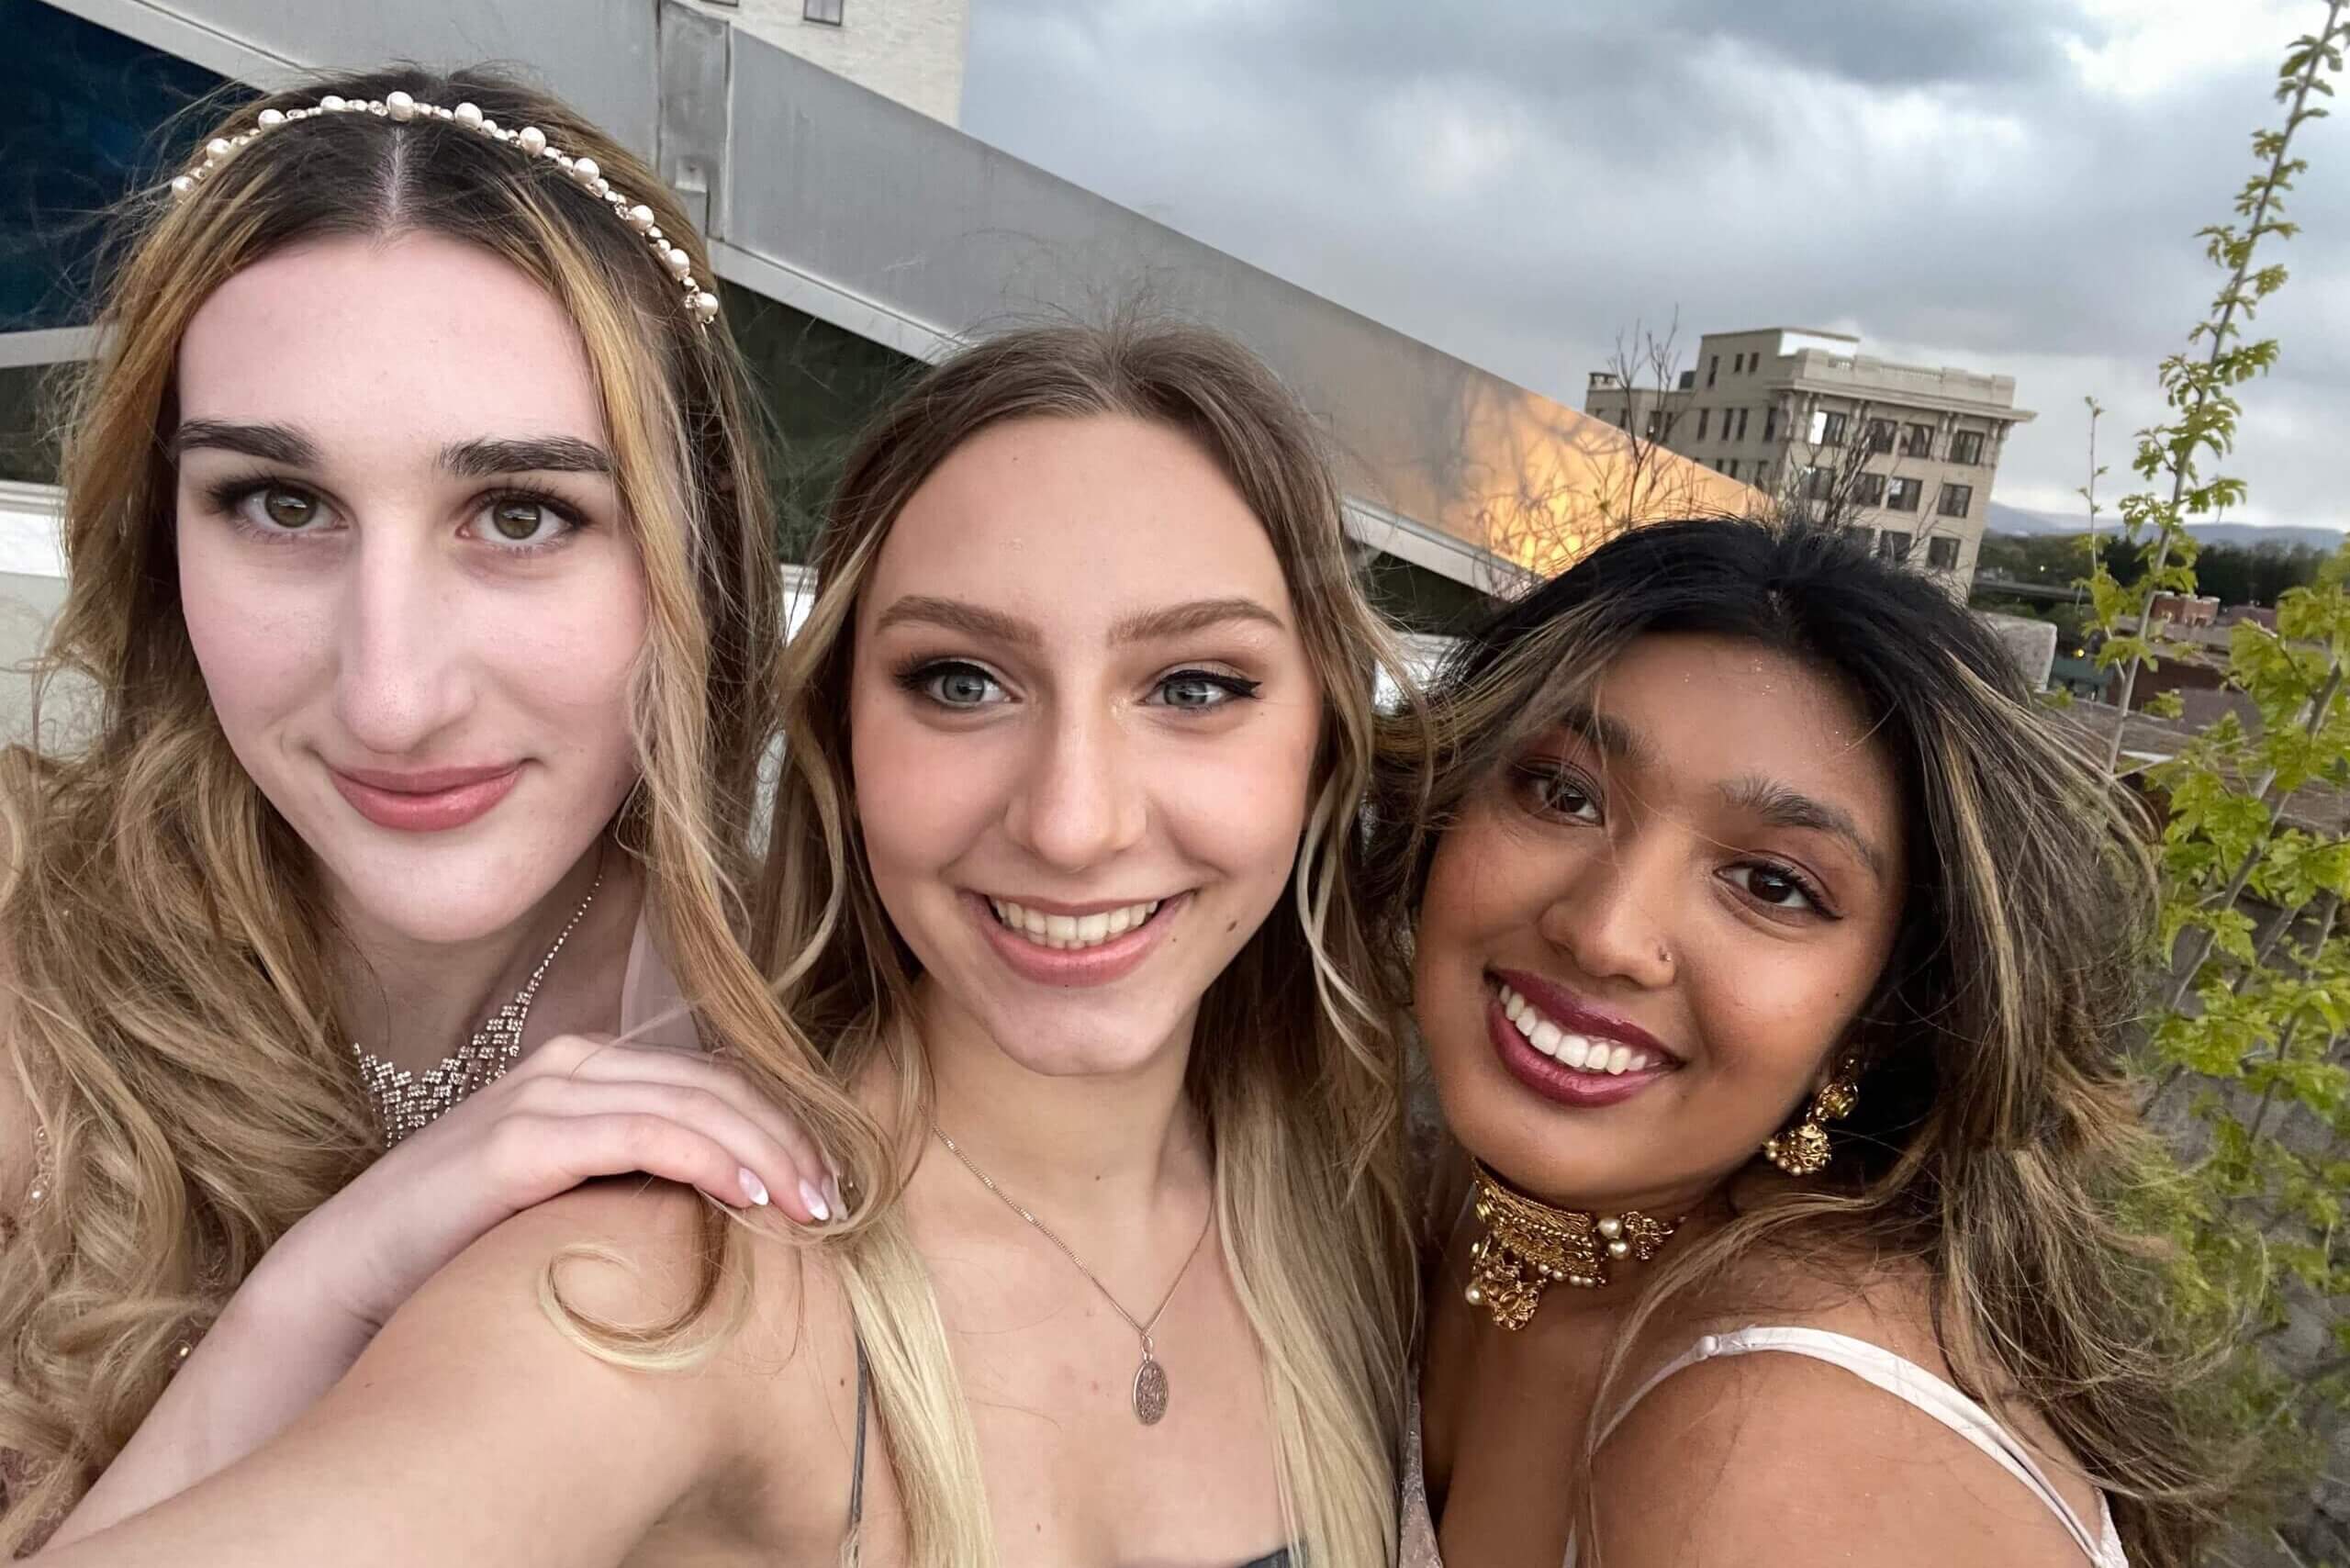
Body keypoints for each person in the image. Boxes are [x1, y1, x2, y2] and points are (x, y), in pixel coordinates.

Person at [32, 320, 1422, 1566]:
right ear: (840, 744)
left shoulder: (1359, 1220)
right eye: (959, 681)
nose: (1071, 822)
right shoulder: (670, 1288)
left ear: (1323, 743)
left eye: (1195, 686)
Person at [0, 69, 843, 1552]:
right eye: (280, 503)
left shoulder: (839, 1017)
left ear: (696, 555)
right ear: (160, 533)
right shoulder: (23, 929)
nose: (391, 696)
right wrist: (320, 1291)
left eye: (521, 514)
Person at [1374, 518, 2222, 1567]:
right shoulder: (1474, 1188)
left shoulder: (1772, 1457)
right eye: (1564, 793)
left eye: (1773, 884)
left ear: (1884, 1008)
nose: (1604, 932)